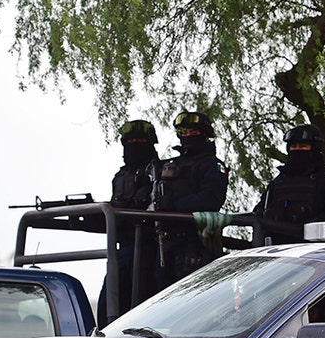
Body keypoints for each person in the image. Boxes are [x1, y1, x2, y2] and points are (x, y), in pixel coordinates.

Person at [149, 110, 229, 289]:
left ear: (204, 134)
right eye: (183, 133)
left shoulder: (213, 165)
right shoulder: (168, 165)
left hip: (193, 242)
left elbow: (212, 199)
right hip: (164, 242)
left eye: (193, 132)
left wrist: (175, 205)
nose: (187, 136)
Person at [98, 119, 160, 323]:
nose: (134, 144)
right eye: (130, 140)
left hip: (150, 246)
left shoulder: (157, 173)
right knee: (109, 299)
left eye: (139, 140)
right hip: (125, 245)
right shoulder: (121, 176)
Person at [252, 124, 325, 245]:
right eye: (293, 146)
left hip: (312, 250)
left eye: (303, 146)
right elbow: (259, 212)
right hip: (275, 248)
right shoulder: (278, 181)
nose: (297, 150)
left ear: (315, 149)